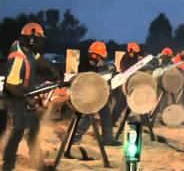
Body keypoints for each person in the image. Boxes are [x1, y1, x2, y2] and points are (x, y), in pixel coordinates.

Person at [2, 23, 60, 171]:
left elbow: (38, 59)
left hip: (25, 93)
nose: (40, 42)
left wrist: (54, 71)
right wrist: (27, 99)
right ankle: (8, 164)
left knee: (34, 127)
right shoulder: (18, 57)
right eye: (38, 39)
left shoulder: (28, 49)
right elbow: (11, 85)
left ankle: (37, 162)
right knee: (19, 129)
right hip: (15, 96)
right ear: (32, 39)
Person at [73, 41, 121, 146]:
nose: (98, 58)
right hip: (86, 93)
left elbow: (108, 69)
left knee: (106, 114)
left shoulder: (100, 63)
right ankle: (75, 137)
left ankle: (108, 139)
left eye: (99, 57)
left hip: (98, 93)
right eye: (96, 55)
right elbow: (86, 77)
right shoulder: (84, 63)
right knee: (89, 116)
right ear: (91, 53)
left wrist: (110, 68)